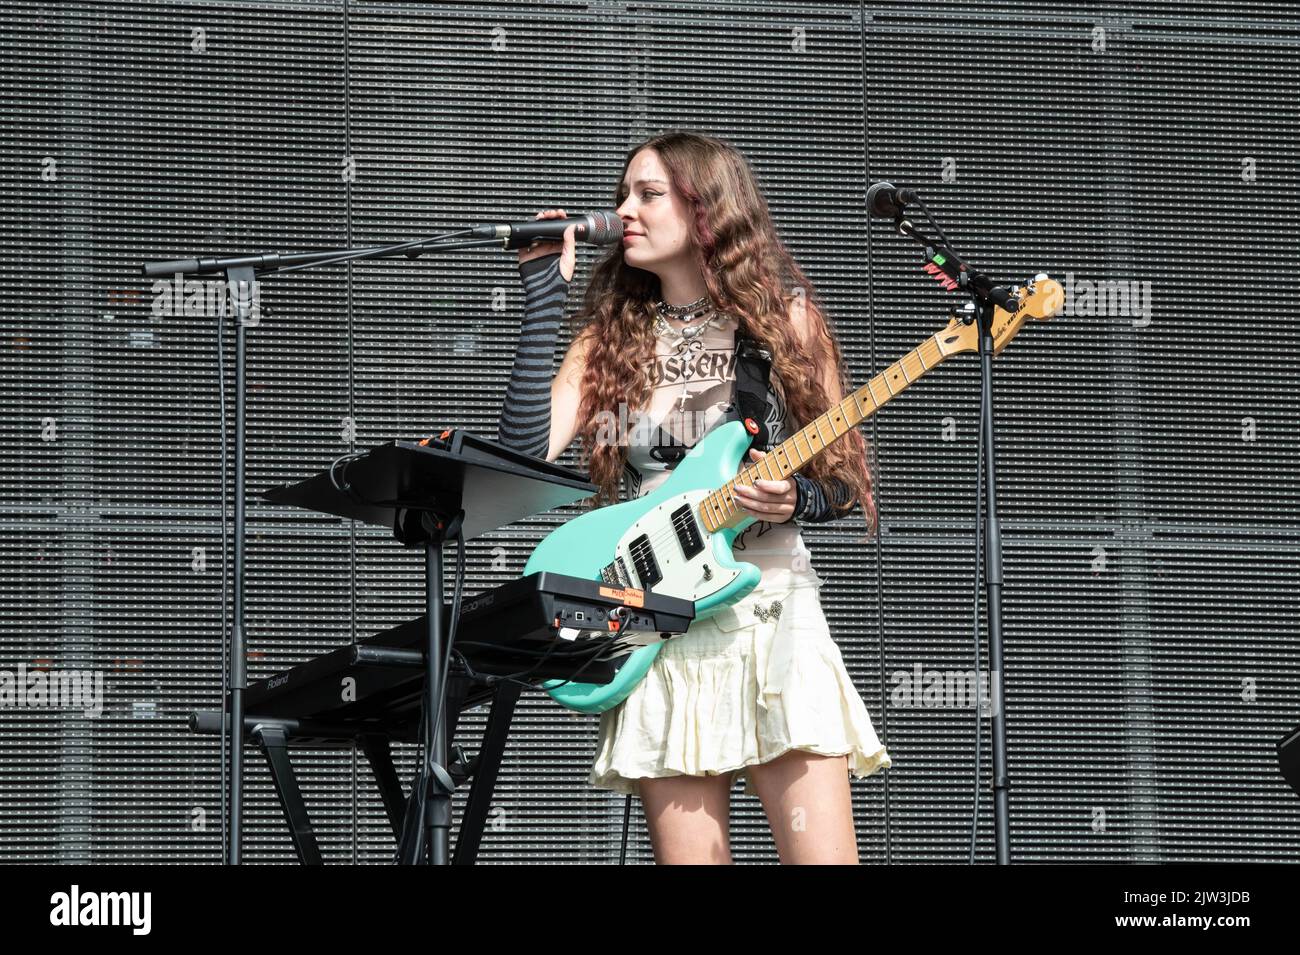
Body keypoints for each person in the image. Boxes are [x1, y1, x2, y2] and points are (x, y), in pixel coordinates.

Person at [496, 130, 890, 864]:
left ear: (706, 209)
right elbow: (521, 452)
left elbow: (844, 480)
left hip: (769, 616)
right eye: (622, 196)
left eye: (647, 195)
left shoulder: (784, 322)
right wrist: (543, 293)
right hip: (659, 621)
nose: (625, 212)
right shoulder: (609, 339)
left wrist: (792, 499)